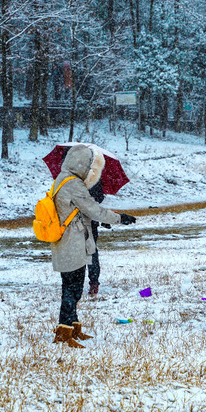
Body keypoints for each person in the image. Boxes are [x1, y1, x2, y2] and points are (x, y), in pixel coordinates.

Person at [50, 144, 136, 348]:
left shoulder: (62, 180)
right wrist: (119, 218)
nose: (90, 169)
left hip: (70, 239)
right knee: (72, 287)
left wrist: (105, 218)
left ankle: (73, 328)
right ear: (80, 163)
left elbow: (83, 210)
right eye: (89, 164)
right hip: (72, 241)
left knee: (73, 285)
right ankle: (64, 331)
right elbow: (92, 209)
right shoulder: (72, 184)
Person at [86, 181, 110, 296]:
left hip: (76, 222)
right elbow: (99, 198)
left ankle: (92, 281)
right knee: (91, 252)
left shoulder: (71, 180)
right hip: (90, 221)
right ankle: (93, 282)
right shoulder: (93, 179)